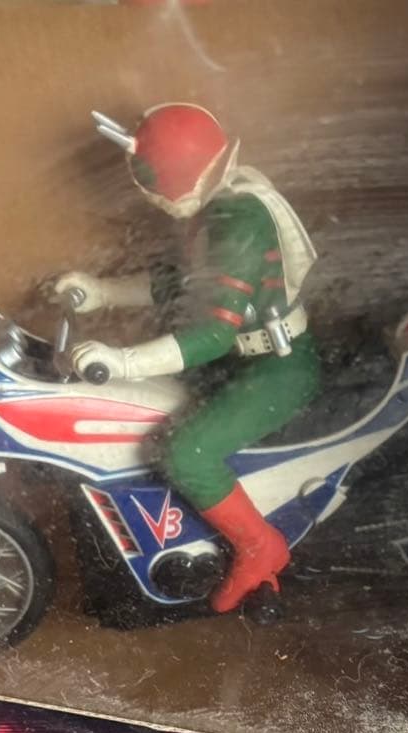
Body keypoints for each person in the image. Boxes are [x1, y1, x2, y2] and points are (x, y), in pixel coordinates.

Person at [55, 103, 321, 613]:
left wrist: (121, 362)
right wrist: (103, 292)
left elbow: (213, 335)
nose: (147, 194)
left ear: (175, 174)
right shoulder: (219, 207)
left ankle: (259, 545)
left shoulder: (236, 220)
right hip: (244, 360)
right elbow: (180, 284)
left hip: (276, 368)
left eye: (151, 181)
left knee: (188, 453)